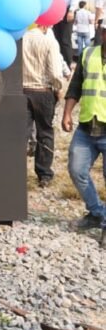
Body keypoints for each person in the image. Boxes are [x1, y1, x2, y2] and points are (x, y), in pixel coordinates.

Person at [61, 22, 106, 239]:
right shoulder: (88, 54)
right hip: (87, 127)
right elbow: (75, 86)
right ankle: (97, 213)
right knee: (77, 170)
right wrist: (67, 113)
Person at [22, 25, 64, 186]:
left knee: (20, 134)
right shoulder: (49, 41)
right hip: (43, 91)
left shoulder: (20, 39)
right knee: (45, 132)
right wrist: (58, 88)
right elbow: (55, 73)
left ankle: (15, 171)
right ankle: (44, 174)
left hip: (22, 91)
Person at [52, 0, 80, 67]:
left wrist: (71, 10)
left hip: (67, 10)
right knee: (56, 39)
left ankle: (68, 64)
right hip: (56, 10)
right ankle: (59, 65)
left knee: (65, 39)